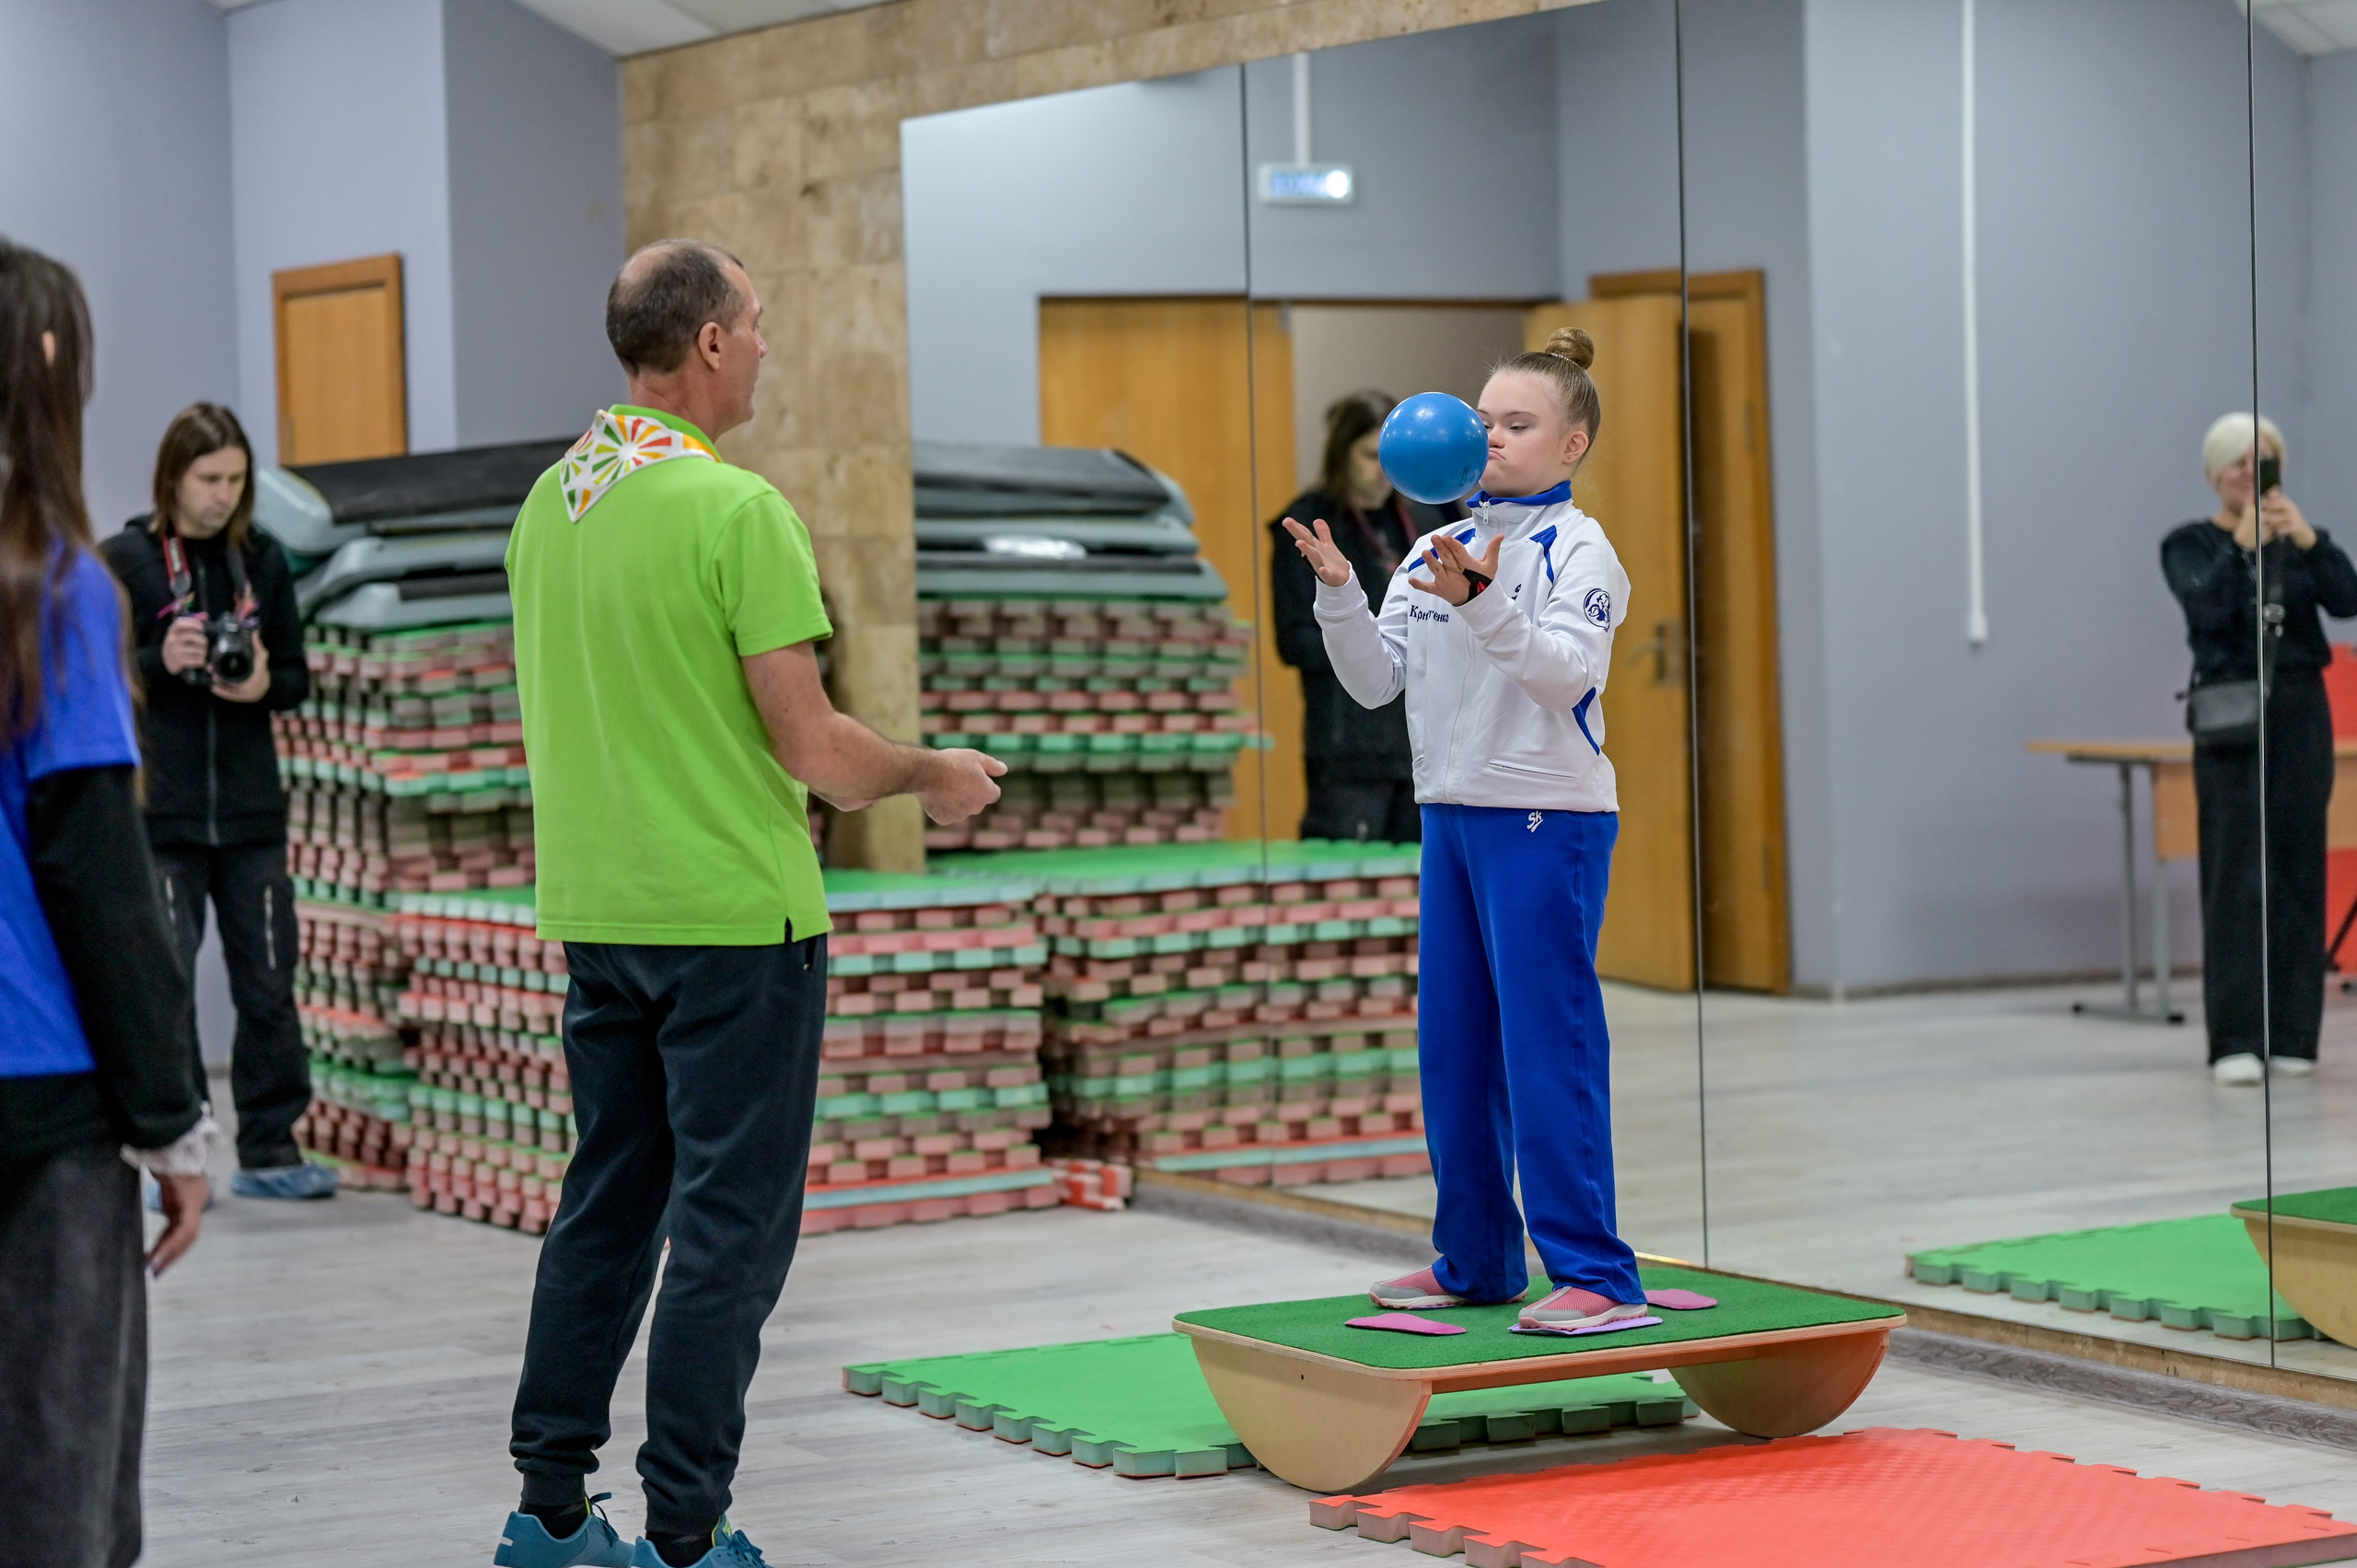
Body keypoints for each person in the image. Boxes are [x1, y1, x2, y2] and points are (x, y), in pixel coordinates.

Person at [495, 239, 1004, 1568]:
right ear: (710, 343)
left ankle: (549, 1511)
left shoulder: (549, 505)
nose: (769, 345)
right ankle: (686, 1530)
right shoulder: (736, 512)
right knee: (728, 1228)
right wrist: (933, 774)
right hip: (736, 922)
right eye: (760, 323)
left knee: (606, 1203)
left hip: (600, 914)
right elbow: (816, 748)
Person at [1281, 328, 1646, 1332]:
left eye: (1516, 424)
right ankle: (1477, 1258)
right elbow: (1372, 681)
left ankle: (1598, 1276)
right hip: (1449, 816)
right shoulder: (1434, 547)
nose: (1489, 438)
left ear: (1570, 444)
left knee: (1546, 1048)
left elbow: (1566, 673)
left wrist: (1483, 603)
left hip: (1544, 819)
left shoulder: (1581, 548)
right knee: (1453, 1050)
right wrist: (1340, 592)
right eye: (1483, 421)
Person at [0, 237, 215, 1568]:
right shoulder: (50, 589)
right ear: (46, 365)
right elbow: (94, 866)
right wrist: (172, 1121)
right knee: (56, 1480)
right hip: (41, 1102)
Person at [100, 402, 325, 1198]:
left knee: (268, 978)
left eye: (235, 479)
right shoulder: (124, 561)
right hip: (160, 814)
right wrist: (159, 660)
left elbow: (296, 675)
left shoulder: (260, 560)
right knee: (163, 983)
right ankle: (179, 1145)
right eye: (208, 479)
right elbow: (95, 673)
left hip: (251, 813)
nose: (222, 495)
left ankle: (271, 1147)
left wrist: (263, 682)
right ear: (173, 476)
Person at [2163, 413, 2357, 1086]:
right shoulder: (2190, 544)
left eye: (2264, 462)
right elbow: (2207, 611)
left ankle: (2295, 1032)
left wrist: (2306, 537)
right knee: (2235, 875)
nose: (2252, 475)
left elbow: (2348, 596)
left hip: (2301, 711)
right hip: (2232, 717)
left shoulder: (2297, 543)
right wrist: (2241, 547)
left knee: (2301, 867)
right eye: (2240, 464)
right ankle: (2236, 1038)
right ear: (2216, 473)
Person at [1267, 389, 1462, 843]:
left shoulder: (1429, 515)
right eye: (1370, 456)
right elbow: (1294, 640)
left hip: (1424, 745)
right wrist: (1368, 641)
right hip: (1348, 749)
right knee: (1345, 892)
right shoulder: (1307, 524)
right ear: (1342, 454)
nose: (1382, 472)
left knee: (1417, 893)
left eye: (1390, 458)